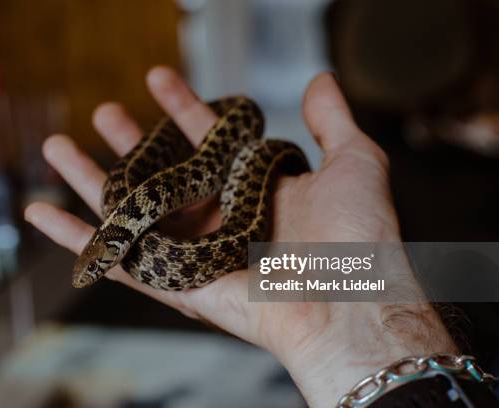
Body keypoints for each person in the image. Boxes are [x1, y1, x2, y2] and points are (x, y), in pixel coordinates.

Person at [25, 67, 496, 407]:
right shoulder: (131, 217)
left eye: (94, 268)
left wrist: (358, 320)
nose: (92, 275)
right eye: (94, 270)